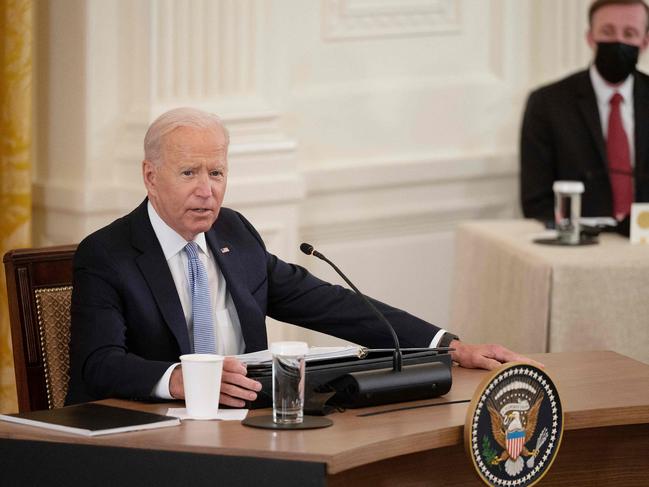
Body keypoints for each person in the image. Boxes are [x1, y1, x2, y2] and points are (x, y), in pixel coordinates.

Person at [66, 107, 537, 408]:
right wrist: (181, 379)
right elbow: (99, 362)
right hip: (148, 436)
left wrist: (448, 347)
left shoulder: (235, 233)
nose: (207, 191)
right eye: (189, 172)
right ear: (150, 176)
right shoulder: (107, 254)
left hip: (245, 427)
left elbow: (330, 304)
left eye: (217, 172)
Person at [520, 0, 649, 232]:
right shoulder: (548, 104)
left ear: (645, 42)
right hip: (579, 244)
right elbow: (536, 201)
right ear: (590, 37)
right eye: (607, 31)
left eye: (630, 33)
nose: (618, 41)